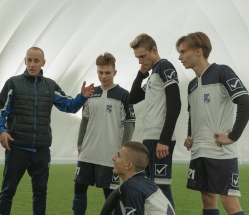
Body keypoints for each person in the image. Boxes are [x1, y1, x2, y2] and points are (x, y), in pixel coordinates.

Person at [0, 47, 95, 215]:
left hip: (41, 150)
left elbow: (69, 106)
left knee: (40, 194)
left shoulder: (50, 85)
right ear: (25, 61)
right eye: (29, 60)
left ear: (43, 63)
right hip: (16, 147)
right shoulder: (13, 83)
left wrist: (81, 97)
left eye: (36, 61)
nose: (32, 64)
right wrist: (1, 131)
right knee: (7, 191)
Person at [177, 32, 249, 215]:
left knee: (229, 202)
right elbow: (192, 115)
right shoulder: (192, 84)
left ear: (199, 51)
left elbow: (245, 101)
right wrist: (190, 137)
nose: (180, 57)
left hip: (220, 151)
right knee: (207, 199)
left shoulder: (222, 72)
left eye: (184, 51)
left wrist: (232, 137)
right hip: (199, 150)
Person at [72, 53, 135, 215]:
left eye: (107, 72)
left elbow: (130, 124)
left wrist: (123, 152)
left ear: (115, 72)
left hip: (110, 155)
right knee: (79, 188)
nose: (103, 76)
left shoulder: (123, 95)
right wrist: (80, 143)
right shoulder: (91, 93)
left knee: (110, 195)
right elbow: (84, 120)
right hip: (88, 152)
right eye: (100, 72)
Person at [128, 33, 181, 207]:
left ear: (154, 49)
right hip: (149, 139)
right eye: (137, 58)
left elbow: (175, 104)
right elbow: (133, 98)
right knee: (151, 188)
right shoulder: (152, 75)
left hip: (160, 140)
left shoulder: (165, 66)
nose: (140, 61)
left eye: (142, 56)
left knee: (161, 188)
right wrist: (141, 73)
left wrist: (164, 140)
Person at [101, 141, 175, 215]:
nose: (114, 158)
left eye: (119, 156)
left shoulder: (132, 187)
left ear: (128, 165)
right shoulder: (145, 182)